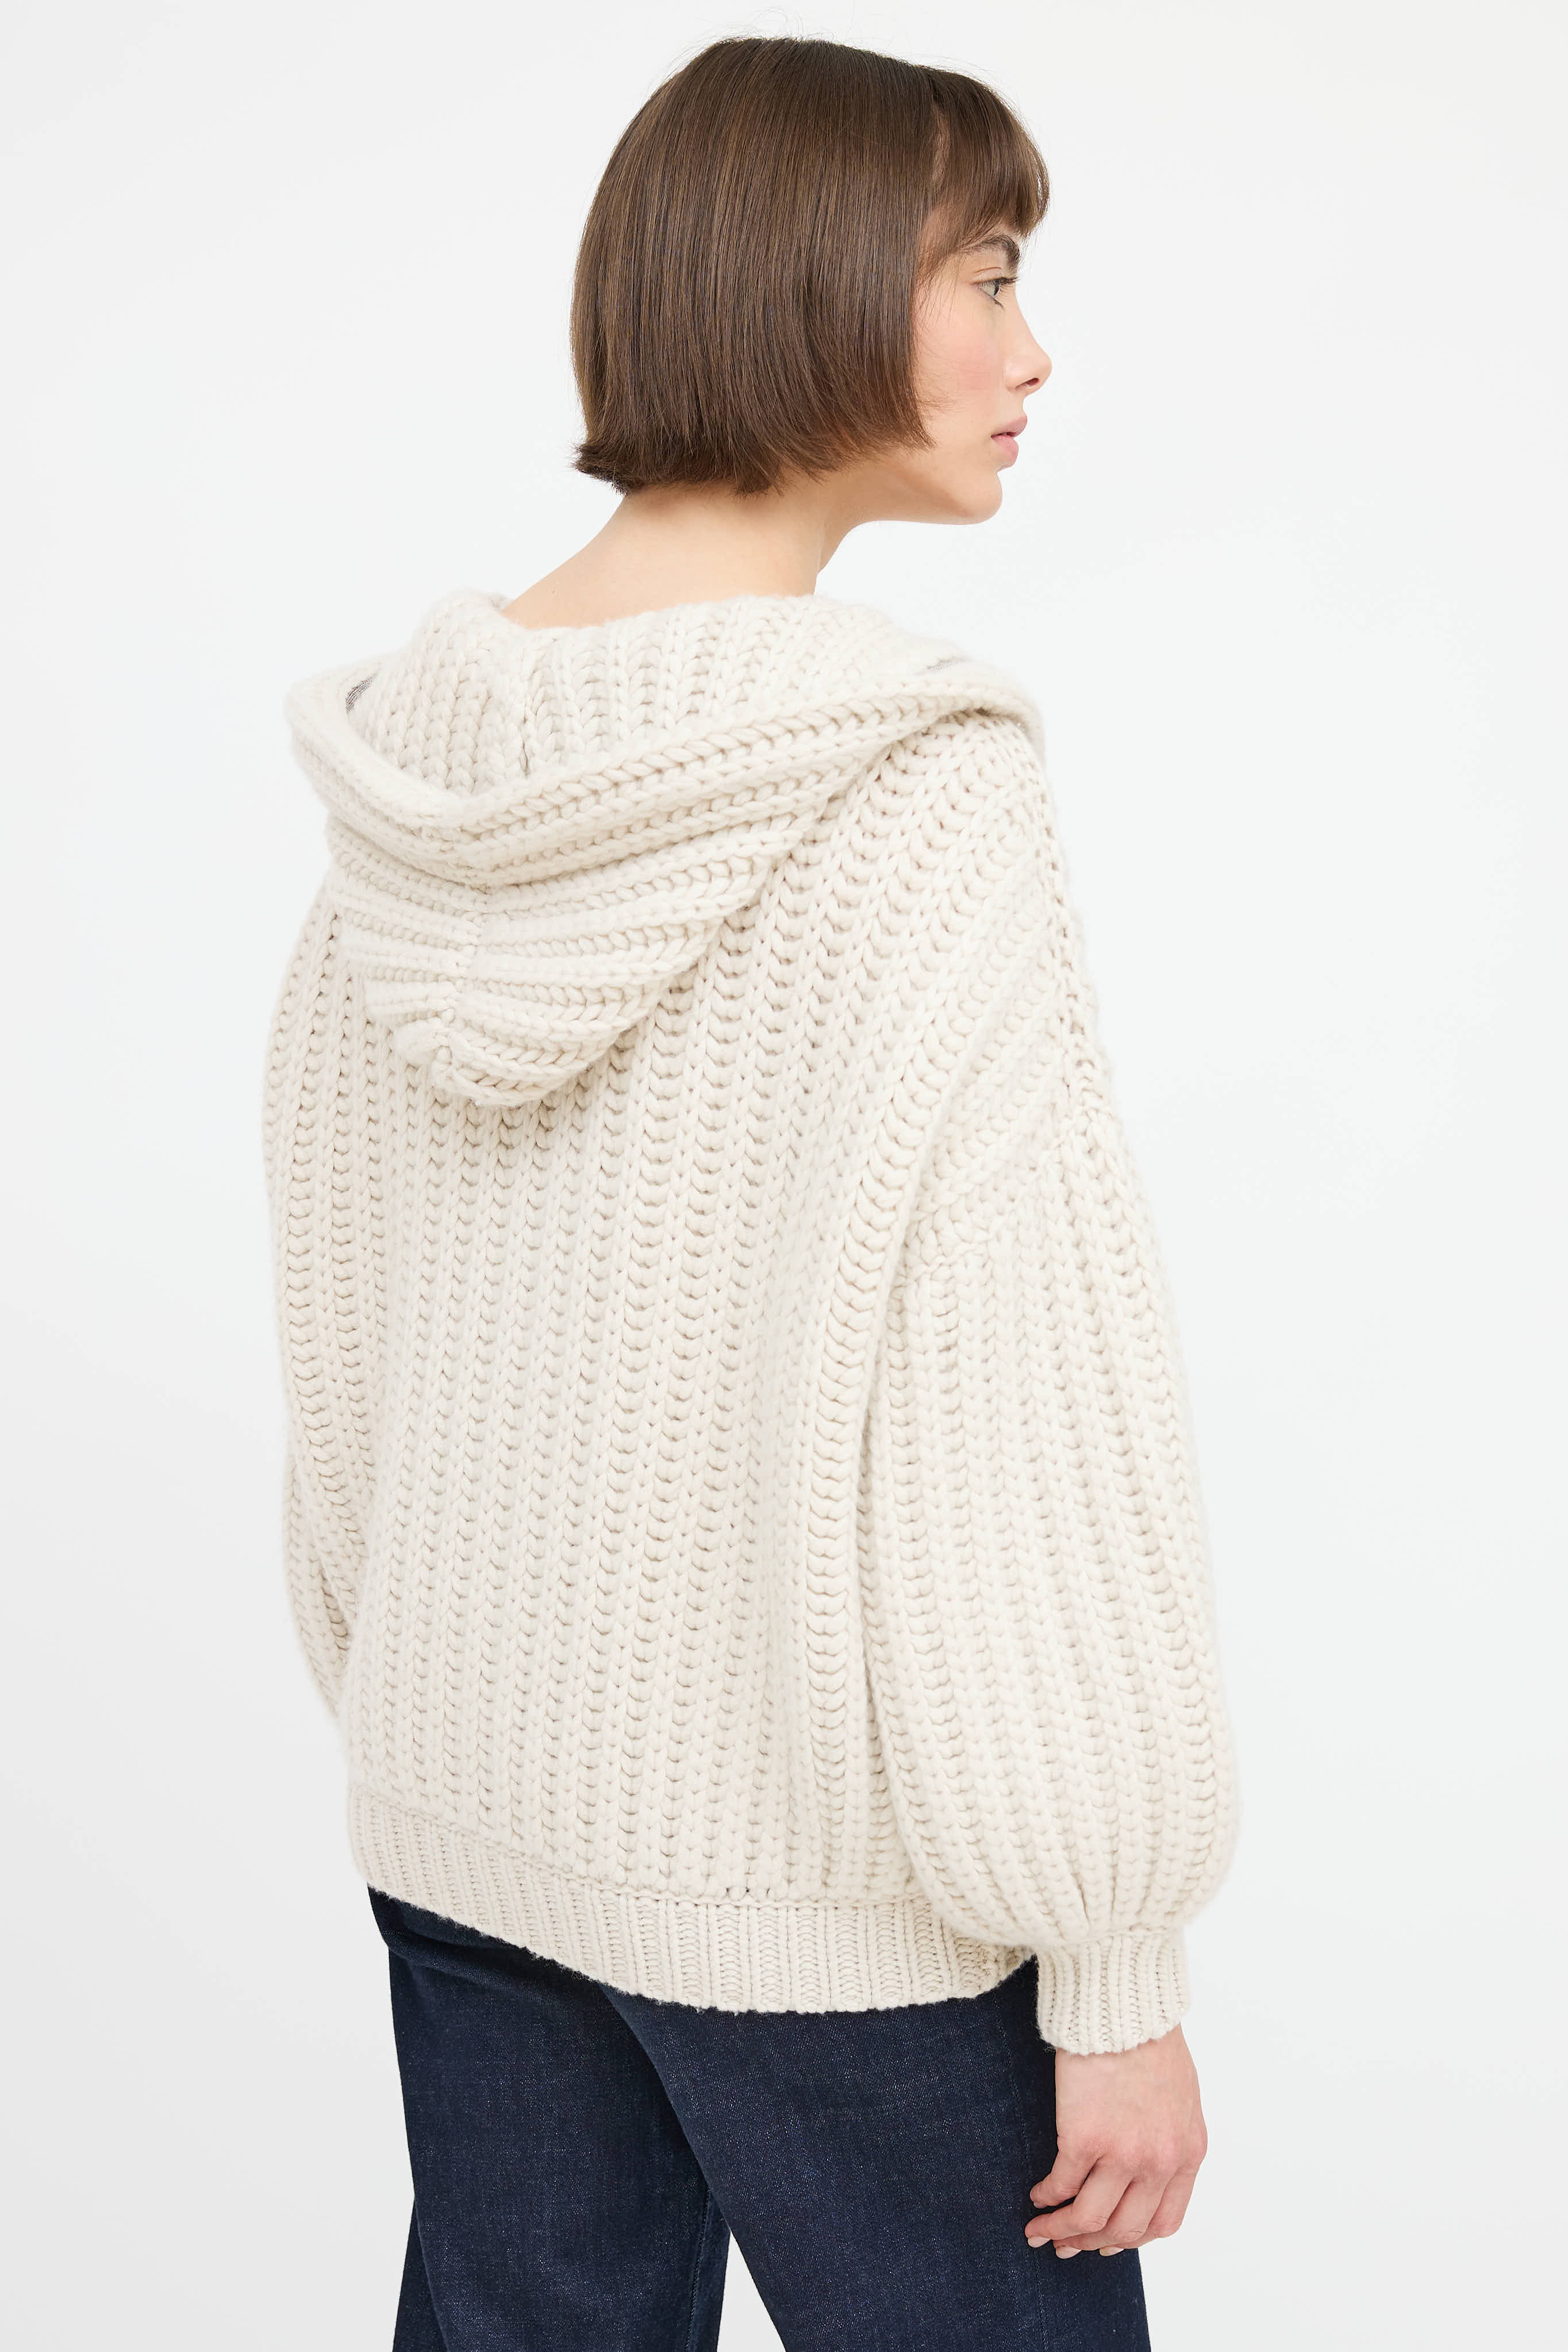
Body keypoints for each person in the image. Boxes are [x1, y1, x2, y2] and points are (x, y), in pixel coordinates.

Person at [264, 32, 1237, 2351]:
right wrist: (1110, 1955)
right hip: (830, 1913)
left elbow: (343, 1332)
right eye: (983, 273)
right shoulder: (911, 788)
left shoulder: (406, 781)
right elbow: (1019, 1417)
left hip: (471, 1832)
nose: (1031, 348)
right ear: (804, 286)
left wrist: (435, 1705)